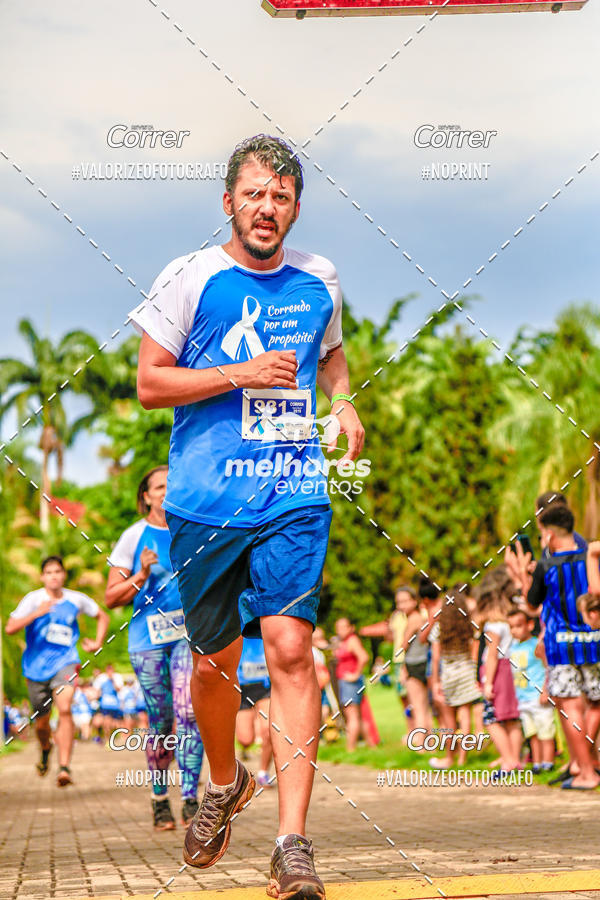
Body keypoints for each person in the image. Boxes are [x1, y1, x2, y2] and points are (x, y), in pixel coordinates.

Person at [130, 133, 364, 897]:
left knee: (294, 650)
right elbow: (150, 384)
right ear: (229, 201)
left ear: (297, 207)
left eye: (283, 196)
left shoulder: (319, 282)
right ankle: (223, 784)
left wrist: (343, 399)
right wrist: (236, 373)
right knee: (213, 665)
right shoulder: (192, 277)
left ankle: (293, 844)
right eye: (256, 193)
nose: (269, 208)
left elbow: (329, 355)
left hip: (292, 491)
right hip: (204, 503)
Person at [106, 465, 205, 830]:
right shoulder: (134, 537)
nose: (166, 491)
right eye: (159, 487)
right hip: (146, 641)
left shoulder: (193, 530)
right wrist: (141, 575)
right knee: (162, 718)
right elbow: (111, 597)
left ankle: (192, 798)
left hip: (185, 636)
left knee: (189, 711)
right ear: (146, 496)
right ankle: (160, 798)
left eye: (172, 484)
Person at [5, 555, 109, 786]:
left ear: (63, 575)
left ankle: (64, 768)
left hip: (66, 662)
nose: (54, 576)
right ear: (43, 577)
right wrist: (36, 614)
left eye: (58, 572)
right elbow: (10, 627)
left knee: (64, 708)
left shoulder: (76, 599)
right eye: (49, 572)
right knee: (41, 725)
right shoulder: (33, 600)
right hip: (35, 668)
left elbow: (102, 615)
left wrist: (98, 641)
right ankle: (45, 748)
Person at [519, 505, 600, 789]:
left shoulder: (546, 565)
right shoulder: (591, 557)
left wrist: (523, 574)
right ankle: (585, 762)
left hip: (561, 645)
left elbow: (531, 604)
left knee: (569, 707)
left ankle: (585, 771)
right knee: (596, 703)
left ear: (549, 534)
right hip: (593, 640)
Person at [430, 589, 483, 768]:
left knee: (448, 719)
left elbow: (436, 658)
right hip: (467, 671)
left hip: (449, 673)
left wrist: (435, 681)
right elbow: (474, 652)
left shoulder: (439, 628)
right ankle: (462, 758)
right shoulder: (469, 626)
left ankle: (449, 757)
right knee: (465, 714)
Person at [477, 584, 522, 773]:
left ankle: (508, 761)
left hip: (497, 673)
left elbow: (492, 655)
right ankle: (515, 760)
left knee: (490, 718)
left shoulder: (492, 626)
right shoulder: (506, 623)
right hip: (509, 669)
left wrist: (487, 682)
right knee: (511, 717)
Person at [507, 608, 556, 773]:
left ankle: (548, 762)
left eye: (518, 626)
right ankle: (537, 762)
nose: (515, 630)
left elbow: (547, 667)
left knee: (546, 731)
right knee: (532, 733)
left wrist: (545, 690)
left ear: (529, 624)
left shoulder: (536, 644)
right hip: (523, 698)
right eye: (511, 627)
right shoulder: (513, 648)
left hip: (537, 696)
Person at [235, 637, 273, 787]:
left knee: (268, 730)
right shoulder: (233, 619)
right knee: (246, 739)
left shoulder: (264, 618)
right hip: (241, 687)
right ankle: (244, 748)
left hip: (264, 686)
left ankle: (263, 772)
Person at [334, 618, 370, 752]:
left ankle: (350, 748)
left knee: (351, 716)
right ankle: (371, 744)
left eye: (343, 627)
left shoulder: (352, 640)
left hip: (351, 683)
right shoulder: (343, 642)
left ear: (351, 628)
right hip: (349, 683)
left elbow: (364, 657)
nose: (339, 630)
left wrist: (355, 674)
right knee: (358, 715)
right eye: (338, 627)